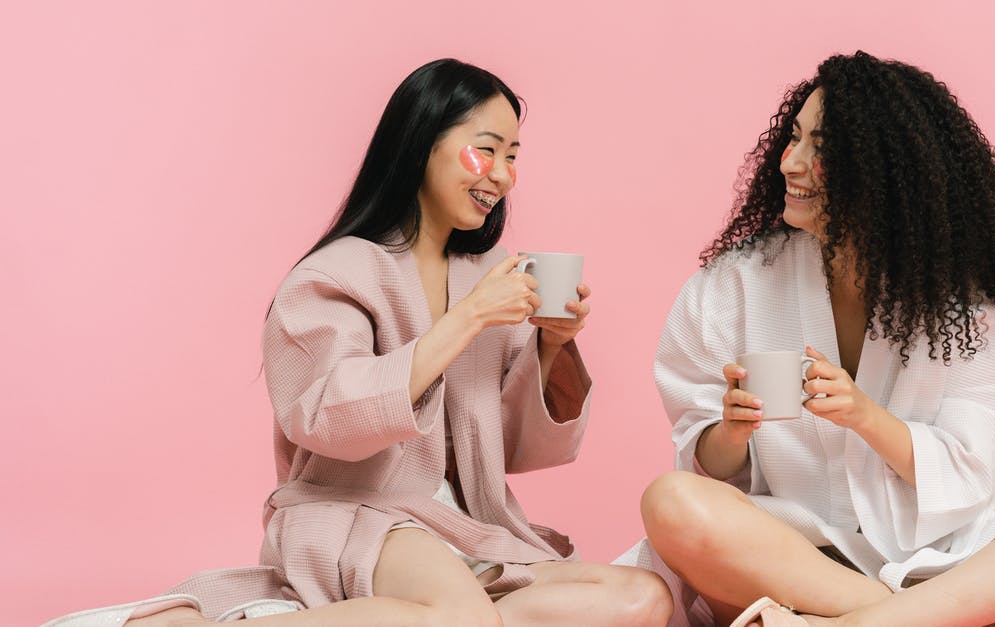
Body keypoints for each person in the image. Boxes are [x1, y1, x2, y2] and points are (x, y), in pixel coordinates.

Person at [47, 58, 672, 627]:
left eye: (514, 156)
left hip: (470, 527)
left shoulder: (488, 275)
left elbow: (508, 447)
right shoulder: (334, 275)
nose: (505, 176)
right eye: (488, 150)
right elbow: (325, 419)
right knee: (463, 619)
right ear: (422, 143)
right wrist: (466, 321)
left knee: (641, 598)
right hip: (357, 516)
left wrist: (552, 348)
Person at [626, 51, 995, 626]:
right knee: (671, 503)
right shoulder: (732, 285)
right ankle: (938, 618)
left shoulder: (965, 304)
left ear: (885, 170)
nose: (790, 162)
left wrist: (866, 417)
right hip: (794, 556)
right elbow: (707, 471)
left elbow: (974, 464)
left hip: (954, 559)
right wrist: (730, 432)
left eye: (822, 148)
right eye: (794, 138)